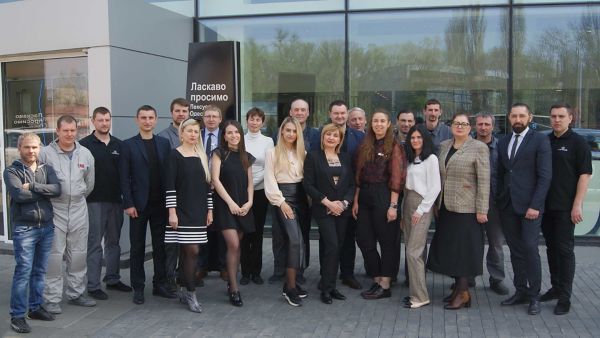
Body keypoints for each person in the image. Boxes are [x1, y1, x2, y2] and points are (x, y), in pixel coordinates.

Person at [427, 112, 490, 310]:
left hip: (468, 209)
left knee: (464, 250)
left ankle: (463, 292)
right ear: (451, 126)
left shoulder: (478, 147)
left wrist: (482, 209)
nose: (460, 127)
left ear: (470, 128)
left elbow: (484, 180)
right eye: (456, 123)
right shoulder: (445, 145)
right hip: (446, 206)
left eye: (464, 124)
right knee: (451, 249)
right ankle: (458, 291)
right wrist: (436, 203)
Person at [497, 103, 552, 315]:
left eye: (521, 116)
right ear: (509, 118)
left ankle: (534, 296)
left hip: (530, 207)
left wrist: (535, 205)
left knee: (530, 249)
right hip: (508, 205)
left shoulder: (540, 139)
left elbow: (545, 175)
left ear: (529, 117)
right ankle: (520, 291)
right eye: (514, 116)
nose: (517, 119)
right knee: (516, 250)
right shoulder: (503, 141)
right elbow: (502, 173)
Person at [5, 133, 61, 333]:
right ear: (20, 148)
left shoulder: (47, 169)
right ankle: (17, 315)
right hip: (25, 229)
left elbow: (57, 189)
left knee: (39, 271)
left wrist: (35, 186)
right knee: (23, 272)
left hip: (46, 227)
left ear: (40, 148)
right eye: (27, 147)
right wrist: (44, 191)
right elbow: (19, 195)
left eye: (35, 147)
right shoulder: (11, 171)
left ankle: (35, 308)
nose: (31, 151)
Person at [120, 105, 175, 305]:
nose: (147, 121)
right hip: (138, 206)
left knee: (161, 247)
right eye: (143, 117)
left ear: (156, 119)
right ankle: (139, 287)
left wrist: (171, 205)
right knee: (137, 248)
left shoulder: (163, 143)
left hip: (160, 204)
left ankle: (159, 284)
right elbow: (124, 178)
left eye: (151, 117)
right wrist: (128, 203)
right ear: (137, 120)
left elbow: (168, 176)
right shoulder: (128, 145)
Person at [40, 115, 96, 314]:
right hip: (55, 209)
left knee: (79, 254)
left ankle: (76, 293)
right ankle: (52, 298)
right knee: (54, 256)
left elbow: (89, 184)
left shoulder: (85, 154)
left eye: (73, 131)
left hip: (79, 209)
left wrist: (76, 196)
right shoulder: (45, 154)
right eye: (66, 131)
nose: (70, 134)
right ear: (58, 131)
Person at [540, 103, 592, 315]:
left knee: (565, 250)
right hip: (545, 206)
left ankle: (565, 296)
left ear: (571, 118)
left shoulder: (578, 143)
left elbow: (584, 175)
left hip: (565, 208)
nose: (557, 120)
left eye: (561, 116)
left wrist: (577, 205)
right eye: (553, 116)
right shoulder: (545, 140)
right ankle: (556, 286)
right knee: (551, 249)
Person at [310, 99, 365, 290]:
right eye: (336, 113)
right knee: (327, 241)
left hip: (346, 201)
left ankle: (347, 274)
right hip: (325, 201)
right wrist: (328, 202)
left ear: (347, 114)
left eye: (343, 113)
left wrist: (346, 201)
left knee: (347, 238)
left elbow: (357, 170)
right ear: (330, 114)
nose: (340, 116)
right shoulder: (319, 136)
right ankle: (326, 276)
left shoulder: (359, 137)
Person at [353, 109, 406, 300]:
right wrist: (356, 200)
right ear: (370, 123)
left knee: (387, 242)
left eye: (382, 121)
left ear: (389, 123)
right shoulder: (365, 144)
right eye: (375, 121)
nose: (378, 124)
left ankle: (385, 283)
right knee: (364, 239)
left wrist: (393, 206)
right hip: (365, 196)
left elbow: (397, 177)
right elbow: (358, 174)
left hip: (385, 195)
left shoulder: (395, 146)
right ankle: (377, 277)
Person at [80, 107, 132, 302]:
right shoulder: (84, 145)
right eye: (100, 120)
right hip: (93, 201)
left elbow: (125, 175)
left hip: (115, 202)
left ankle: (112, 278)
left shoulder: (119, 145)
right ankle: (93, 285)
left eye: (107, 120)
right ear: (93, 121)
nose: (104, 123)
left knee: (114, 242)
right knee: (94, 244)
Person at [165, 118, 213, 313]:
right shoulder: (174, 155)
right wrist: (172, 213)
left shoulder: (202, 155)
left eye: (196, 131)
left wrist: (210, 210)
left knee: (189, 252)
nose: (193, 134)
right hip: (181, 212)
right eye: (190, 131)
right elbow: (170, 187)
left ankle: (184, 288)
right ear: (181, 134)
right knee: (191, 251)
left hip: (199, 212)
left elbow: (207, 187)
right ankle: (192, 293)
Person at [304, 123, 355, 304]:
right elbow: (308, 184)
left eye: (335, 135)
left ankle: (331, 286)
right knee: (332, 246)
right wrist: (326, 202)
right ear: (323, 137)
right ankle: (325, 289)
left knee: (336, 247)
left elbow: (351, 185)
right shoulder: (313, 156)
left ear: (340, 139)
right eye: (328, 134)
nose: (331, 138)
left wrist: (344, 203)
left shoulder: (346, 158)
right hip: (324, 209)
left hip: (342, 209)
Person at [269, 98, 318, 284]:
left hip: (302, 194)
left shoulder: (313, 137)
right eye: (296, 109)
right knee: (279, 235)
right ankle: (279, 270)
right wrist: (279, 200)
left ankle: (299, 271)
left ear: (308, 113)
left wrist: (313, 195)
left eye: (303, 110)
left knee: (301, 234)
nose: (299, 112)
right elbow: (271, 175)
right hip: (281, 195)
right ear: (290, 112)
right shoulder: (275, 142)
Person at [265, 117, 309, 306]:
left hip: (302, 200)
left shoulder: (303, 153)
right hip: (283, 199)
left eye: (294, 131)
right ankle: (290, 287)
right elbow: (269, 180)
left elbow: (307, 180)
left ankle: (292, 283)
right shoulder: (272, 153)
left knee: (301, 241)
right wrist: (281, 203)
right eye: (287, 130)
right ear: (281, 131)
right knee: (293, 240)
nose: (291, 134)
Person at [211, 120, 256, 307]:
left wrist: (249, 202)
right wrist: (230, 203)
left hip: (243, 206)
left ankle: (231, 280)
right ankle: (235, 289)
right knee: (233, 244)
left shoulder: (247, 156)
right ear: (224, 135)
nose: (233, 136)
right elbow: (215, 180)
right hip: (224, 206)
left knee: (236, 247)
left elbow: (250, 183)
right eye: (229, 133)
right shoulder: (219, 153)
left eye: (236, 132)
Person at [401, 125, 440, 309]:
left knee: (413, 252)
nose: (415, 140)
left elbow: (435, 188)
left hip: (421, 205)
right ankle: (415, 292)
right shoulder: (411, 158)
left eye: (419, 137)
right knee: (412, 249)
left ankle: (420, 296)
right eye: (412, 137)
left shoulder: (431, 159)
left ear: (425, 139)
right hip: (407, 202)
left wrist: (421, 209)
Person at [474, 113, 509, 295]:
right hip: (471, 203)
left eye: (487, 124)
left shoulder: (501, 147)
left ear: (493, 127)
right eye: (480, 124)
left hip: (494, 202)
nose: (483, 127)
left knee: (496, 244)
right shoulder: (467, 146)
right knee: (472, 242)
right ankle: (468, 277)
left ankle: (497, 279)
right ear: (475, 126)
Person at [158, 98, 191, 292]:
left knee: (188, 241)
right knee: (171, 242)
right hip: (171, 196)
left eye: (184, 111)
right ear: (172, 113)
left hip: (189, 197)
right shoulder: (163, 137)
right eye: (178, 111)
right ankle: (170, 278)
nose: (181, 114)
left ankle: (185, 276)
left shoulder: (194, 135)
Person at [241, 108, 274, 286]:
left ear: (262, 122)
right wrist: (246, 186)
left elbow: (269, 166)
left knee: (258, 232)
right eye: (251, 119)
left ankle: (256, 271)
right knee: (245, 232)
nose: (254, 122)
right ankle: (245, 272)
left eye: (257, 120)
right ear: (247, 121)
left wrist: (252, 185)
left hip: (260, 191)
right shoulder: (240, 139)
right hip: (242, 192)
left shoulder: (268, 141)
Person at [198, 105, 228, 284]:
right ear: (203, 118)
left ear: (220, 119)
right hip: (200, 189)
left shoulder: (226, 136)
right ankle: (201, 267)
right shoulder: (196, 135)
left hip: (222, 189)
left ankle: (224, 266)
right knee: (203, 229)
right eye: (207, 116)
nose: (210, 119)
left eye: (214, 116)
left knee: (222, 229)